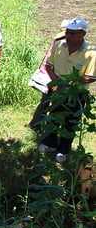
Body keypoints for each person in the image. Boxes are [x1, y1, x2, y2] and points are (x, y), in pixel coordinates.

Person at [38, 18, 95, 162]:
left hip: (76, 93)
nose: (68, 36)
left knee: (71, 122)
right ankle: (49, 143)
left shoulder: (91, 52)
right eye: (67, 32)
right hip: (56, 89)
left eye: (73, 34)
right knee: (52, 118)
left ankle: (63, 150)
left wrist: (67, 84)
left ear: (82, 34)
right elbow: (49, 66)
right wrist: (56, 82)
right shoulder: (59, 45)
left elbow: (90, 77)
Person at [29, 20, 70, 133]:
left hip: (51, 76)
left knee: (46, 101)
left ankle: (37, 124)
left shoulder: (58, 41)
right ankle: (38, 125)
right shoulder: (61, 43)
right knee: (48, 102)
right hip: (52, 77)